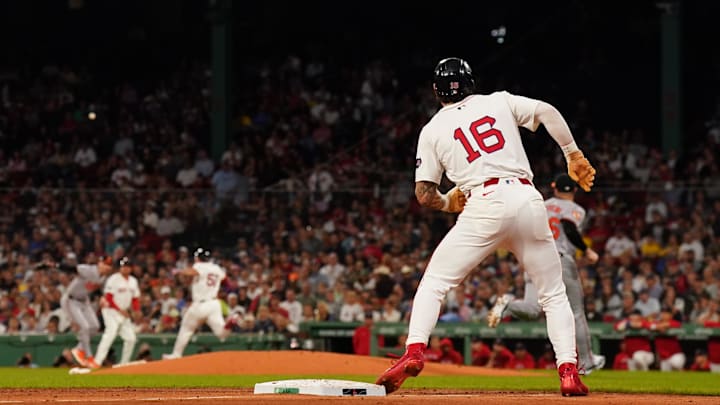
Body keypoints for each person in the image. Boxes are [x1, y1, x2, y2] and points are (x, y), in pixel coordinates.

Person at [375, 57, 595, 396]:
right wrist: (572, 154)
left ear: (436, 91)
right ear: (470, 83)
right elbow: (547, 111)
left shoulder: (432, 130)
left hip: (484, 202)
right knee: (553, 294)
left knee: (435, 282)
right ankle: (568, 372)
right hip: (527, 198)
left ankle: (415, 350)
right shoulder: (498, 100)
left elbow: (423, 193)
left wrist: (449, 201)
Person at [487, 174, 606, 374]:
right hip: (558, 259)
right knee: (576, 313)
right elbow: (568, 226)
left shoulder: (540, 204)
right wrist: (586, 250)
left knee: (533, 309)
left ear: (554, 188)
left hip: (533, 258)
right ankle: (587, 362)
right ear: (574, 190)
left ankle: (508, 302)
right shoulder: (576, 209)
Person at [162, 248, 238, 359]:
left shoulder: (200, 266)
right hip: (214, 304)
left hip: (200, 305)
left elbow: (192, 272)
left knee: (186, 329)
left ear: (197, 258)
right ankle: (231, 321)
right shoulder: (216, 268)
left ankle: (176, 354)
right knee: (221, 334)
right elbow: (228, 284)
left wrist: (179, 271)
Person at [60, 255, 114, 368]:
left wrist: (101, 297)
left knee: (94, 327)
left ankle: (79, 349)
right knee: (84, 327)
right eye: (105, 264)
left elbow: (97, 288)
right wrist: (53, 265)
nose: (106, 267)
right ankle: (89, 357)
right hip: (71, 300)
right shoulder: (89, 270)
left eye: (109, 265)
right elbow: (70, 268)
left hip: (85, 301)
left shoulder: (103, 277)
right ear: (99, 263)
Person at [92, 257, 141, 368]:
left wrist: (136, 310)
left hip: (124, 313)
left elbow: (135, 299)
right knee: (111, 333)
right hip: (110, 311)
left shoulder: (133, 281)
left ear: (131, 268)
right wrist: (120, 310)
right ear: (120, 267)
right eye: (123, 266)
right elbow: (109, 298)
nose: (125, 268)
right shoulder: (113, 279)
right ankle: (97, 362)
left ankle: (124, 364)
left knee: (131, 338)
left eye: (127, 266)